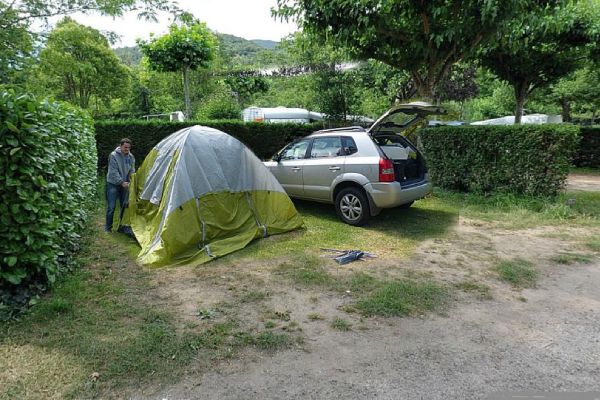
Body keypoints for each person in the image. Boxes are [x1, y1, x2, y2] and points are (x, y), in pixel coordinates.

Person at [105, 138, 135, 233]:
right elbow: (113, 171)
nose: (127, 149)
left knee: (124, 206)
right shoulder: (113, 155)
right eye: (125, 147)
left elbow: (132, 170)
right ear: (121, 146)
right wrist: (121, 182)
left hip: (125, 184)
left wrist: (132, 179)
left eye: (129, 148)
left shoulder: (131, 157)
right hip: (113, 184)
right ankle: (108, 228)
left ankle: (121, 227)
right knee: (111, 207)